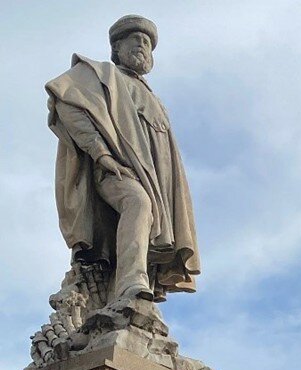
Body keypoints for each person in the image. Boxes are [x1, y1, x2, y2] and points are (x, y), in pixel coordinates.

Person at [47, 15, 200, 305]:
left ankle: (130, 297)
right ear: (117, 47)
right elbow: (66, 102)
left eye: (147, 43)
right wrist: (101, 153)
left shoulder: (154, 99)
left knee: (145, 216)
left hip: (155, 181)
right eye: (136, 39)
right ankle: (131, 283)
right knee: (137, 202)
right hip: (113, 169)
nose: (142, 46)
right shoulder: (100, 74)